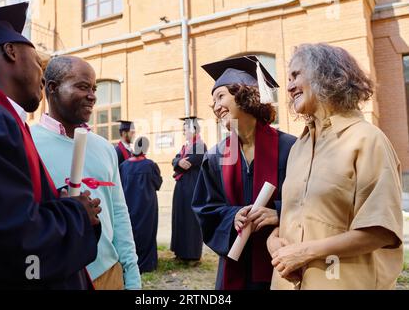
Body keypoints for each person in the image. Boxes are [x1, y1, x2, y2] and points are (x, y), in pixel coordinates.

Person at [0, 3, 101, 289]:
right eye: (38, 63)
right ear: (11, 51)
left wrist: (58, 203)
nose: (42, 74)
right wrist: (77, 213)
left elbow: (13, 208)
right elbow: (13, 240)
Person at [267, 43, 403, 290]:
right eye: (288, 79)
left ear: (326, 75)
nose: (288, 87)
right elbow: (296, 214)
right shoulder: (300, 146)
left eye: (296, 75)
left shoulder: (367, 139)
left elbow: (381, 231)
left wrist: (305, 252)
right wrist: (273, 240)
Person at [31, 56, 141, 290]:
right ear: (52, 87)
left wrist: (131, 274)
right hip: (58, 277)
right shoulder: (27, 144)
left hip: (108, 273)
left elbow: (119, 213)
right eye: (82, 87)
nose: (92, 95)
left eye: (94, 88)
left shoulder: (104, 147)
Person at [192, 55, 296, 290]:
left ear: (243, 94)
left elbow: (311, 200)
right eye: (213, 102)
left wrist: (279, 213)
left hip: (280, 257)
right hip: (234, 261)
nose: (216, 107)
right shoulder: (216, 156)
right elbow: (205, 208)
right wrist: (232, 216)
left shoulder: (290, 148)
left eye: (221, 96)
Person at [119, 137, 163, 273]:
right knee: (148, 233)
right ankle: (147, 264)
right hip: (147, 206)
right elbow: (158, 184)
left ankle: (132, 262)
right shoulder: (150, 165)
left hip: (129, 205)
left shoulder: (124, 166)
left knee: (132, 232)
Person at [171, 116, 207, 261]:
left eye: (185, 129)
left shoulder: (199, 145)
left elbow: (189, 163)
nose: (183, 132)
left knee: (191, 221)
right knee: (180, 218)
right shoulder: (186, 146)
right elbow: (176, 160)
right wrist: (178, 161)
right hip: (182, 187)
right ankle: (180, 252)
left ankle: (191, 254)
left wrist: (178, 162)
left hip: (192, 188)